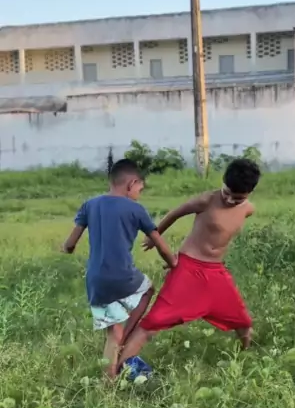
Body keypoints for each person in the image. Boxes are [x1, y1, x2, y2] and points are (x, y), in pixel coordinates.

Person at [114, 157, 261, 376]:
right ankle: (117, 370)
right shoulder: (206, 200)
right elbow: (175, 213)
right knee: (152, 323)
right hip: (189, 268)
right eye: (227, 193)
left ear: (249, 193)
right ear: (223, 183)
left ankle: (245, 360)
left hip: (216, 272)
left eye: (237, 198)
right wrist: (156, 236)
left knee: (243, 323)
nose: (230, 200)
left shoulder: (248, 209)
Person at [62, 158, 177, 379]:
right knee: (148, 289)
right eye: (140, 189)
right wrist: (173, 263)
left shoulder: (90, 204)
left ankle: (109, 385)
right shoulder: (136, 209)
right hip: (124, 277)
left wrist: (66, 248)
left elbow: (70, 244)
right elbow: (160, 244)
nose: (139, 194)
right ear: (131, 183)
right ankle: (126, 338)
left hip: (96, 281)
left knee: (112, 335)